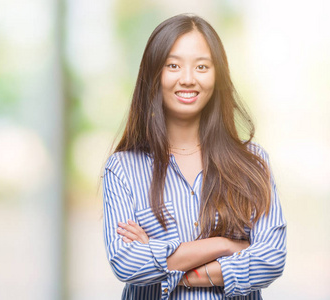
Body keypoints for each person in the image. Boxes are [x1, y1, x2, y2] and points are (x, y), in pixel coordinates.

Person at [102, 14, 286, 299]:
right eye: (173, 66)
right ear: (154, 74)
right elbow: (127, 263)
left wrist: (167, 262)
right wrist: (226, 245)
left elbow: (271, 259)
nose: (187, 79)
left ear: (218, 74)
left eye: (202, 66)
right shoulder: (123, 168)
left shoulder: (252, 162)